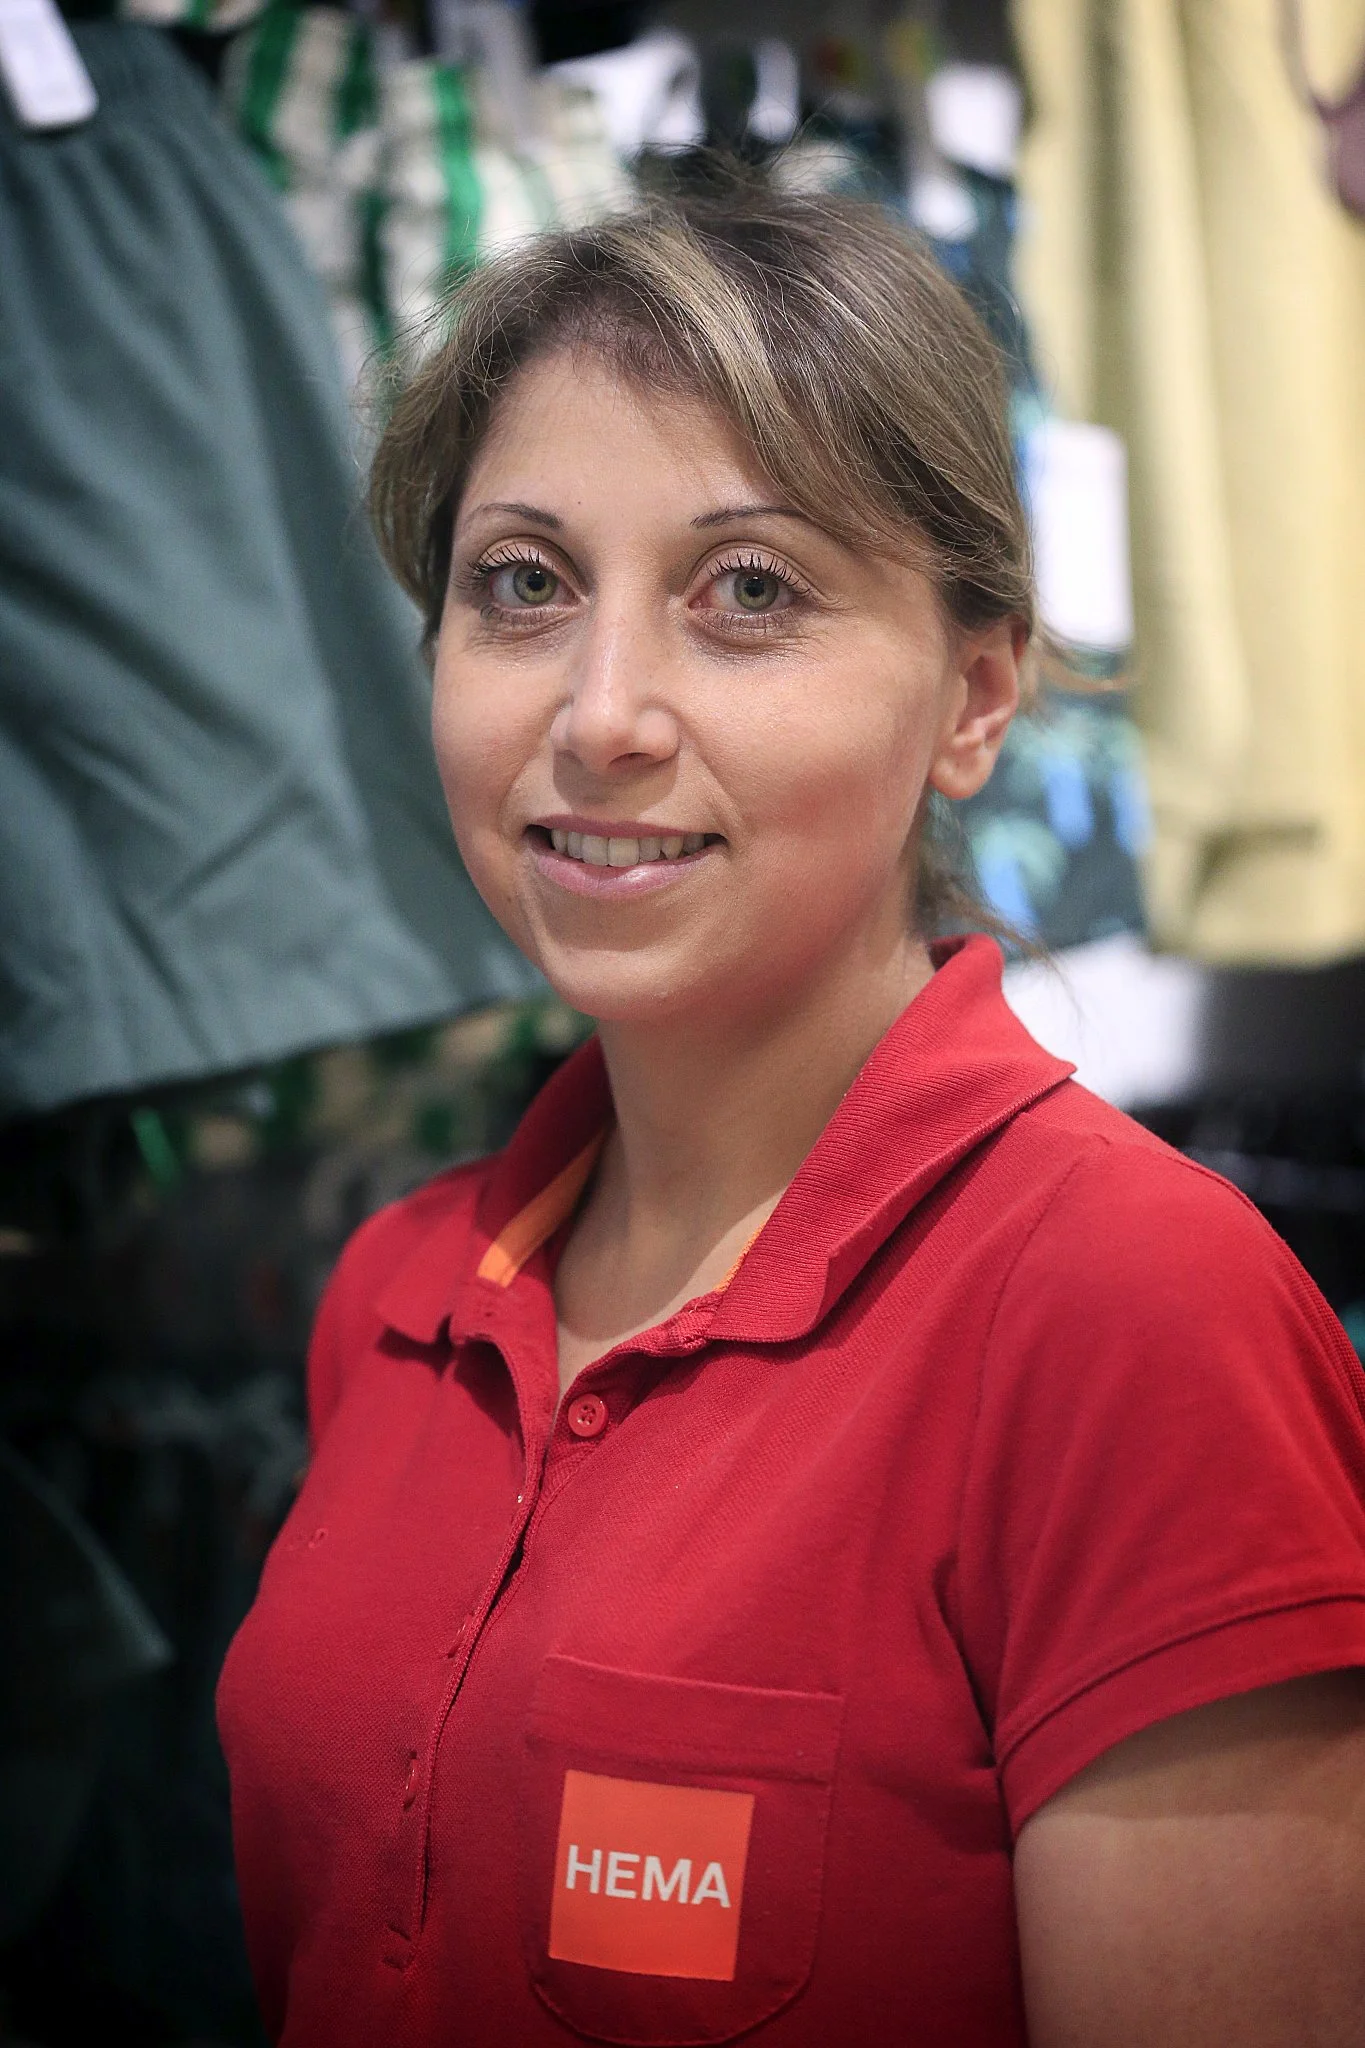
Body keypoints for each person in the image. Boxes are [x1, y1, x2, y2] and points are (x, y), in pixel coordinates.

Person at [216, 190, 1365, 2047]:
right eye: (522, 584)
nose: (601, 716)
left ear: (975, 696)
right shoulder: (400, 1293)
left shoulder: (1131, 1315)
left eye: (747, 592)